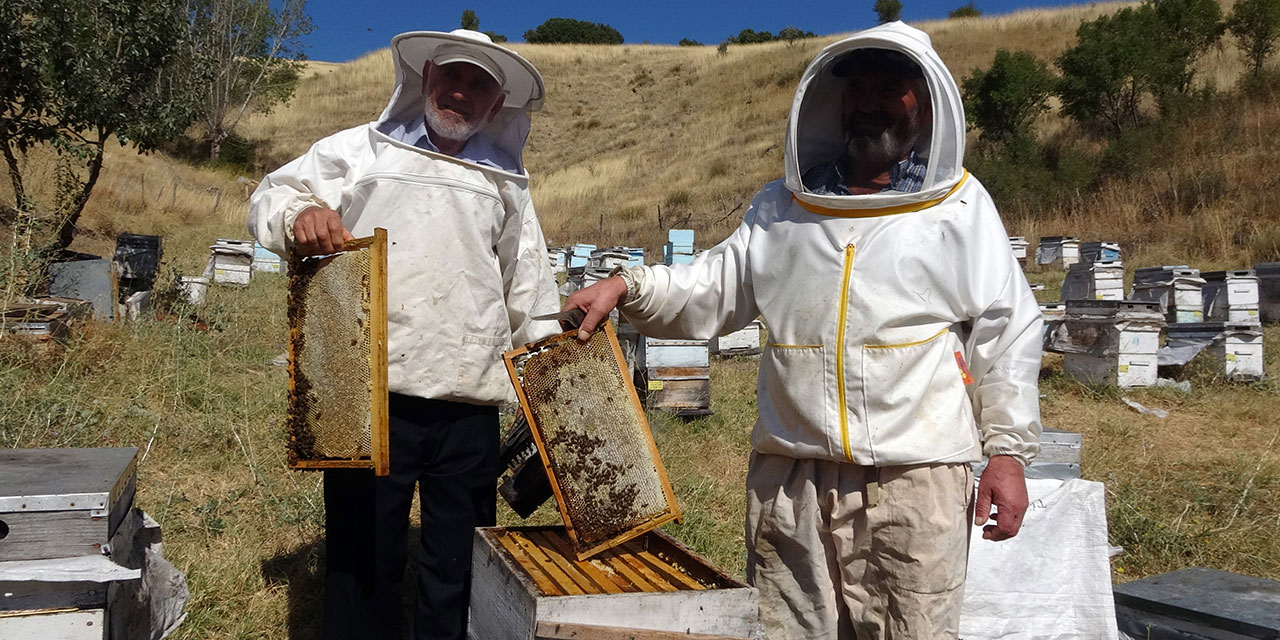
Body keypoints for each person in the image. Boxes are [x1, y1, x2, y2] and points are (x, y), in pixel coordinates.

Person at [564, 22, 1043, 639]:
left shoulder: (958, 207)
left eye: (889, 88)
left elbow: (1006, 333)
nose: (868, 102)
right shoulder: (782, 208)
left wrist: (1007, 452)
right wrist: (629, 286)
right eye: (858, 88)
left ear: (923, 103)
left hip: (913, 478)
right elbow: (713, 287)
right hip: (790, 480)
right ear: (834, 100)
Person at [248, 29, 560, 640]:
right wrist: (299, 216)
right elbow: (272, 195)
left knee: (460, 569)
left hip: (468, 409)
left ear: (497, 105)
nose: (462, 93)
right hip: (369, 398)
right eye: (453, 77)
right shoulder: (359, 154)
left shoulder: (505, 184)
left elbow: (528, 293)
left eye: (480, 85)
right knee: (363, 564)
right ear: (426, 80)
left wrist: (554, 377)